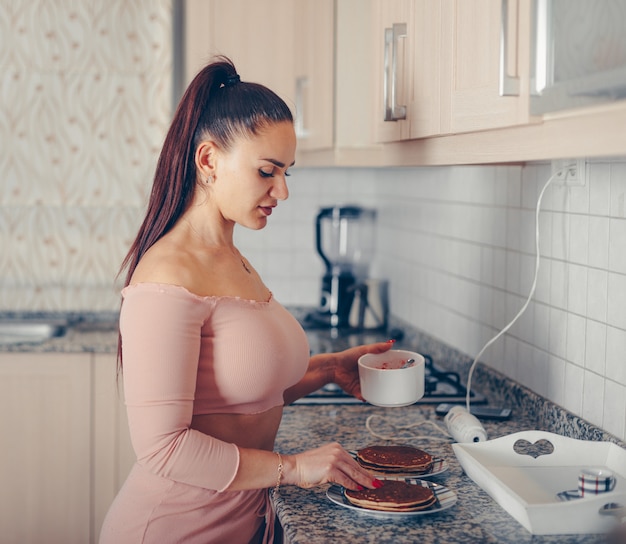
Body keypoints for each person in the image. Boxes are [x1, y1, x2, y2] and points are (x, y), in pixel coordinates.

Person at [99, 56, 394, 544]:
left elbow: (238, 397)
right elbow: (163, 449)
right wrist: (296, 467)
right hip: (173, 529)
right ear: (209, 160)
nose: (281, 190)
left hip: (234, 526)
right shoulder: (169, 276)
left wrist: (327, 370)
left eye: (286, 173)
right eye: (266, 171)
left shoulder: (229, 257)